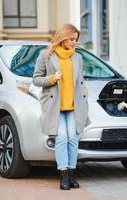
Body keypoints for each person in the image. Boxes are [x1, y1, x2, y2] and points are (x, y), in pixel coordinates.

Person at [33, 24, 90, 190]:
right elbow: (36, 79)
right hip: (55, 105)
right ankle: (63, 175)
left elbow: (81, 81)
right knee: (62, 138)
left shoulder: (77, 57)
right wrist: (52, 78)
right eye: (71, 39)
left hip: (74, 105)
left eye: (75, 40)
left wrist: (85, 96)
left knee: (73, 138)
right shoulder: (46, 55)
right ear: (63, 37)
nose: (74, 43)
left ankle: (71, 175)